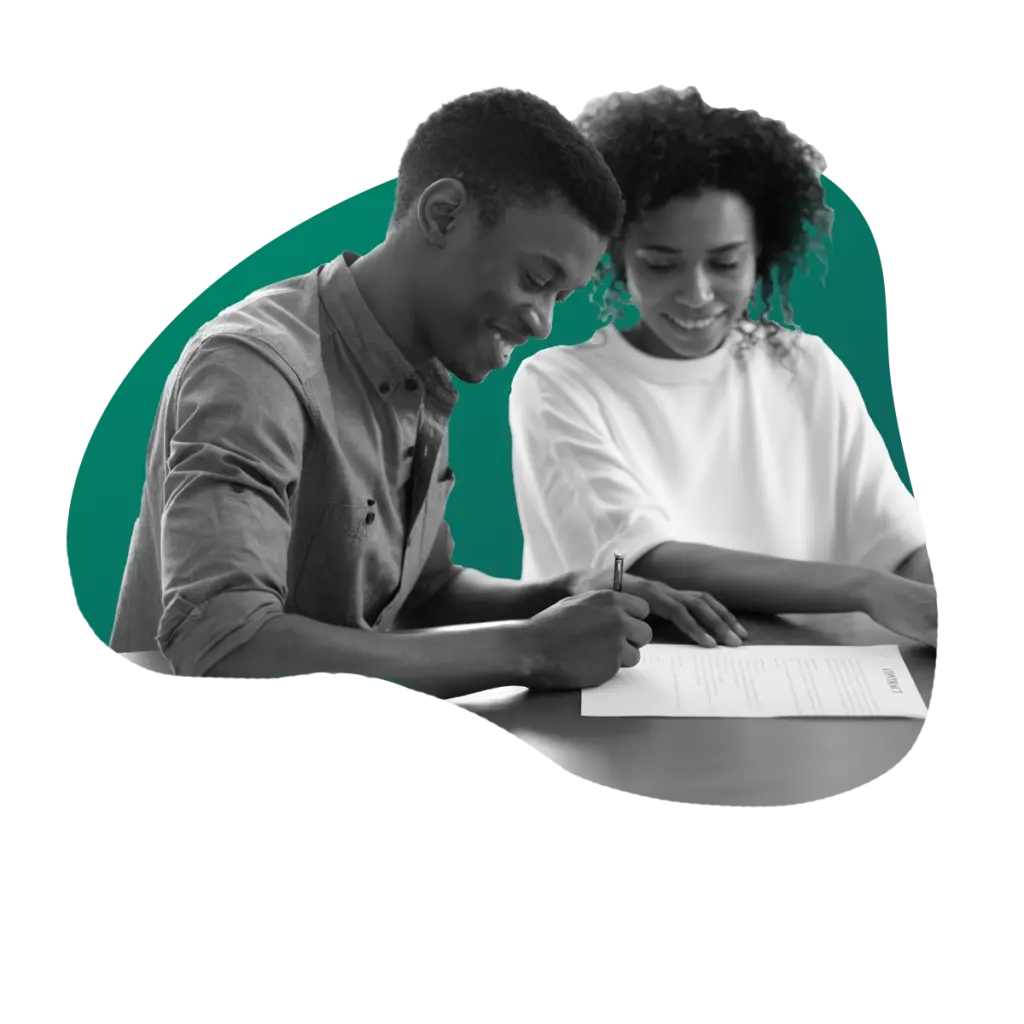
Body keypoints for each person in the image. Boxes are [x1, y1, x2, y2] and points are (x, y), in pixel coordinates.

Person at [108, 86, 748, 695]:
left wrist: (561, 594)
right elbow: (225, 648)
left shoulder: (416, 378)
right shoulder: (254, 370)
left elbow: (422, 594)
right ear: (444, 215)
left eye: (561, 297)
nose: (541, 322)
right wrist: (531, 649)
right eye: (535, 278)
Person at [508, 86, 943, 648]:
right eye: (661, 264)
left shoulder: (804, 367)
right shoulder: (560, 385)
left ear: (761, 253)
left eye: (725, 262)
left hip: (822, 698)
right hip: (642, 695)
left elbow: (900, 547)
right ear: (615, 256)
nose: (696, 293)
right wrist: (864, 588)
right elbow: (646, 561)